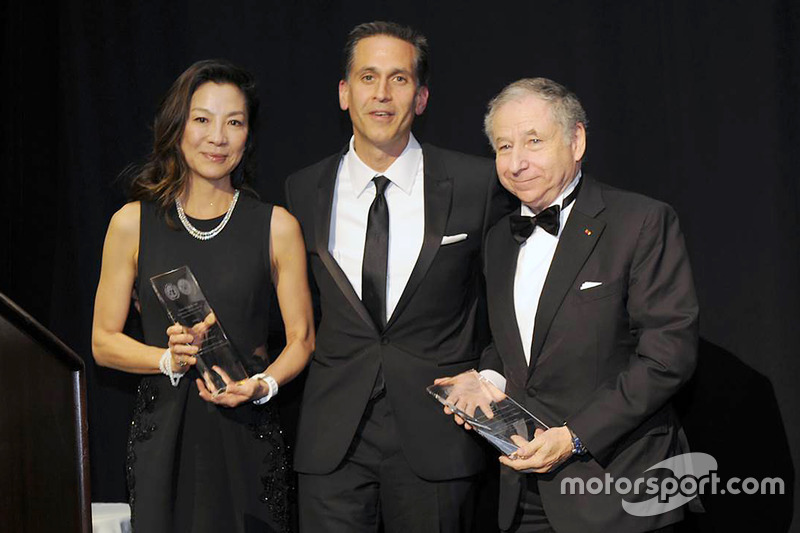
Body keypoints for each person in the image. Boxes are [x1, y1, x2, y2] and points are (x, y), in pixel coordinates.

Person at [441, 78, 699, 532]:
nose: (516, 163)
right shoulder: (499, 239)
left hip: (620, 488)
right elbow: (511, 344)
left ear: (576, 140)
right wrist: (484, 381)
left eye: (533, 141)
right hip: (523, 493)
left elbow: (667, 356)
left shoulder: (640, 221)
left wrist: (575, 436)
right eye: (503, 146)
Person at [284, 21, 512, 533]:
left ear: (423, 97)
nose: (381, 94)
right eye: (367, 78)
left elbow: (507, 306)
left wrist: (490, 376)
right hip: (332, 442)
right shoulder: (302, 189)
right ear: (344, 93)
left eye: (399, 79)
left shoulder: (476, 184)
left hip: (440, 435)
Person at [91, 59, 314, 533]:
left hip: (247, 437)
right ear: (177, 127)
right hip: (164, 439)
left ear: (248, 135)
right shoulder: (132, 223)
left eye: (234, 122)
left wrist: (262, 386)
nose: (218, 137)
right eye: (203, 119)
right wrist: (167, 359)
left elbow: (302, 340)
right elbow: (103, 342)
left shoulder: (276, 226)